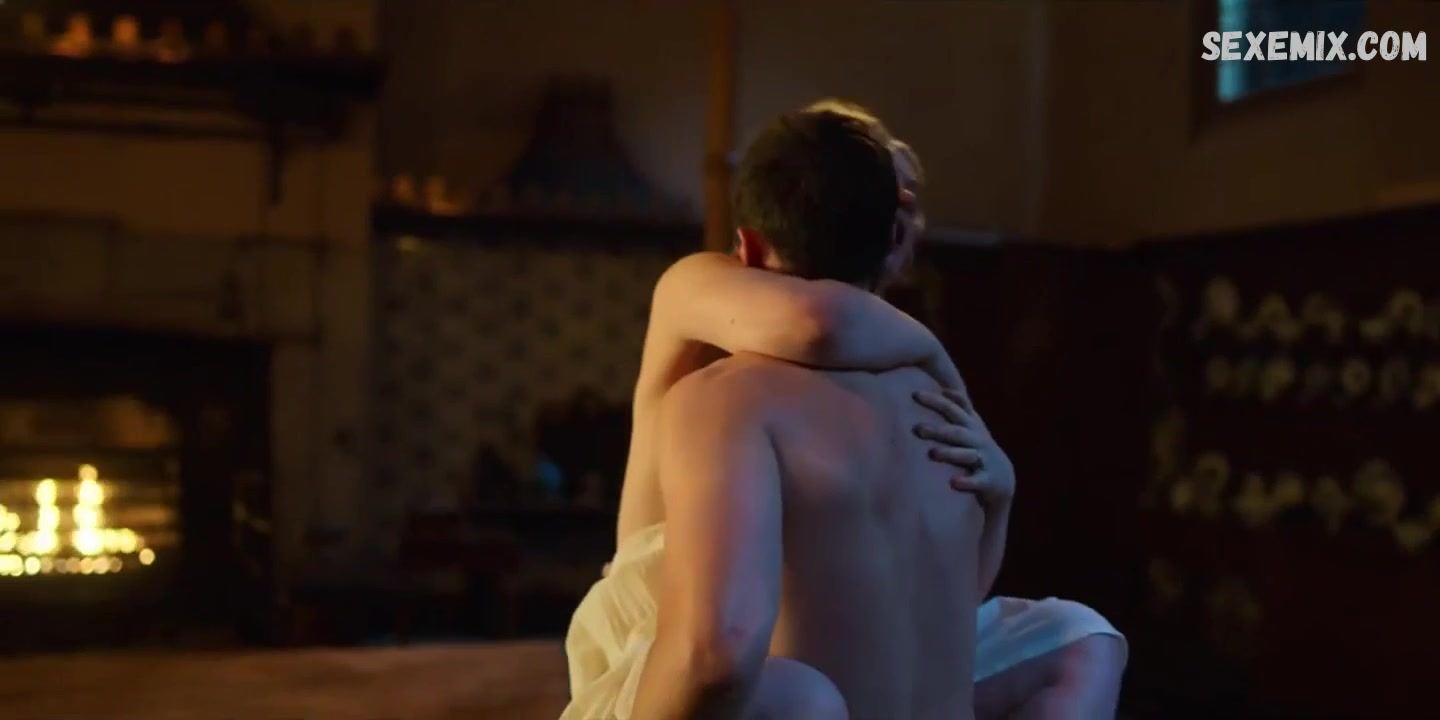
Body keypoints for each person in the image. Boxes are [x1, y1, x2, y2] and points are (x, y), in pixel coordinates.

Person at [564, 104, 1123, 719]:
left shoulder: (909, 399)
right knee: (796, 695)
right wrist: (938, 361)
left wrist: (1001, 493)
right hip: (666, 646)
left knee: (1079, 634)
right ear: (892, 237)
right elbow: (818, 320)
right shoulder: (702, 300)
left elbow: (938, 617)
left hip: (806, 669)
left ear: (748, 241)